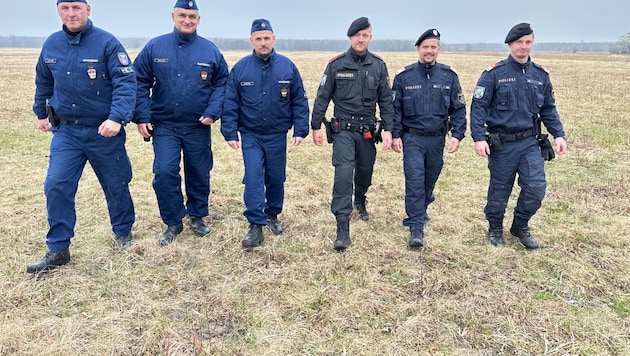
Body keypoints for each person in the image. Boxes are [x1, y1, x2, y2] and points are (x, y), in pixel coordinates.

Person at [28, 0, 137, 273]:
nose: (71, 13)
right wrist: (41, 112)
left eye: (76, 7)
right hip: (67, 132)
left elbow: (126, 83)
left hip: (103, 130)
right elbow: (43, 80)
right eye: (65, 8)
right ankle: (58, 248)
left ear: (88, 10)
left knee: (116, 183)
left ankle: (123, 232)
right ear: (58, 11)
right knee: (56, 184)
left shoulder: (107, 43)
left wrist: (117, 118)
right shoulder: (51, 44)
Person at [133, 0, 229, 246]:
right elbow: (138, 81)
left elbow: (222, 83)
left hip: (198, 125)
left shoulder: (210, 50)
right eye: (183, 15)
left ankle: (197, 216)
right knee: (164, 172)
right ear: (173, 16)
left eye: (193, 16)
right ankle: (173, 221)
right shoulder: (155, 46)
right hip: (164, 125)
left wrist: (212, 111)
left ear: (199, 20)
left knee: (199, 172)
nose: (187, 20)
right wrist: (142, 116)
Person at [470, 23, 567, 249]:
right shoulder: (494, 74)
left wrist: (558, 134)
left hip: (530, 143)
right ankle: (495, 227)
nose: (524, 47)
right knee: (499, 189)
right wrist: (478, 138)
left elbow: (549, 108)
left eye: (528, 42)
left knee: (536, 187)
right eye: (519, 42)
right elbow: (478, 107)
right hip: (502, 143)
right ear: (510, 44)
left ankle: (520, 225)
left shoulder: (540, 75)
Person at [221, 19, 309, 248]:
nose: (263, 43)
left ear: (274, 39)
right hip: (250, 134)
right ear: (251, 40)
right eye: (258, 39)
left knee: (276, 176)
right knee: (253, 177)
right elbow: (230, 102)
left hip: (277, 134)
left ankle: (272, 214)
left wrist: (301, 129)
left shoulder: (287, 67)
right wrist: (229, 131)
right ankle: (255, 224)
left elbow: (299, 100)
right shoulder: (240, 68)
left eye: (266, 38)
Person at [311, 17, 394, 251]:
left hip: (367, 131)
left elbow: (386, 100)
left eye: (365, 35)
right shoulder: (336, 65)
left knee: (365, 171)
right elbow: (322, 96)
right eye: (357, 35)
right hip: (343, 131)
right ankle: (342, 228)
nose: (360, 39)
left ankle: (361, 198)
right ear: (350, 38)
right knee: (343, 176)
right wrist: (316, 125)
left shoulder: (378, 65)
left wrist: (389, 129)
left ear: (370, 37)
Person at [391, 29, 467, 248]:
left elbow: (459, 107)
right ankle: (416, 227)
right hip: (412, 138)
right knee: (415, 181)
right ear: (418, 49)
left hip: (437, 139)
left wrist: (458, 135)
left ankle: (422, 208)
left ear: (439, 50)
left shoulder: (449, 76)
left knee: (428, 181)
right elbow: (395, 109)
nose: (429, 51)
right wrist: (396, 134)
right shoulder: (403, 77)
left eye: (433, 47)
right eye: (425, 47)